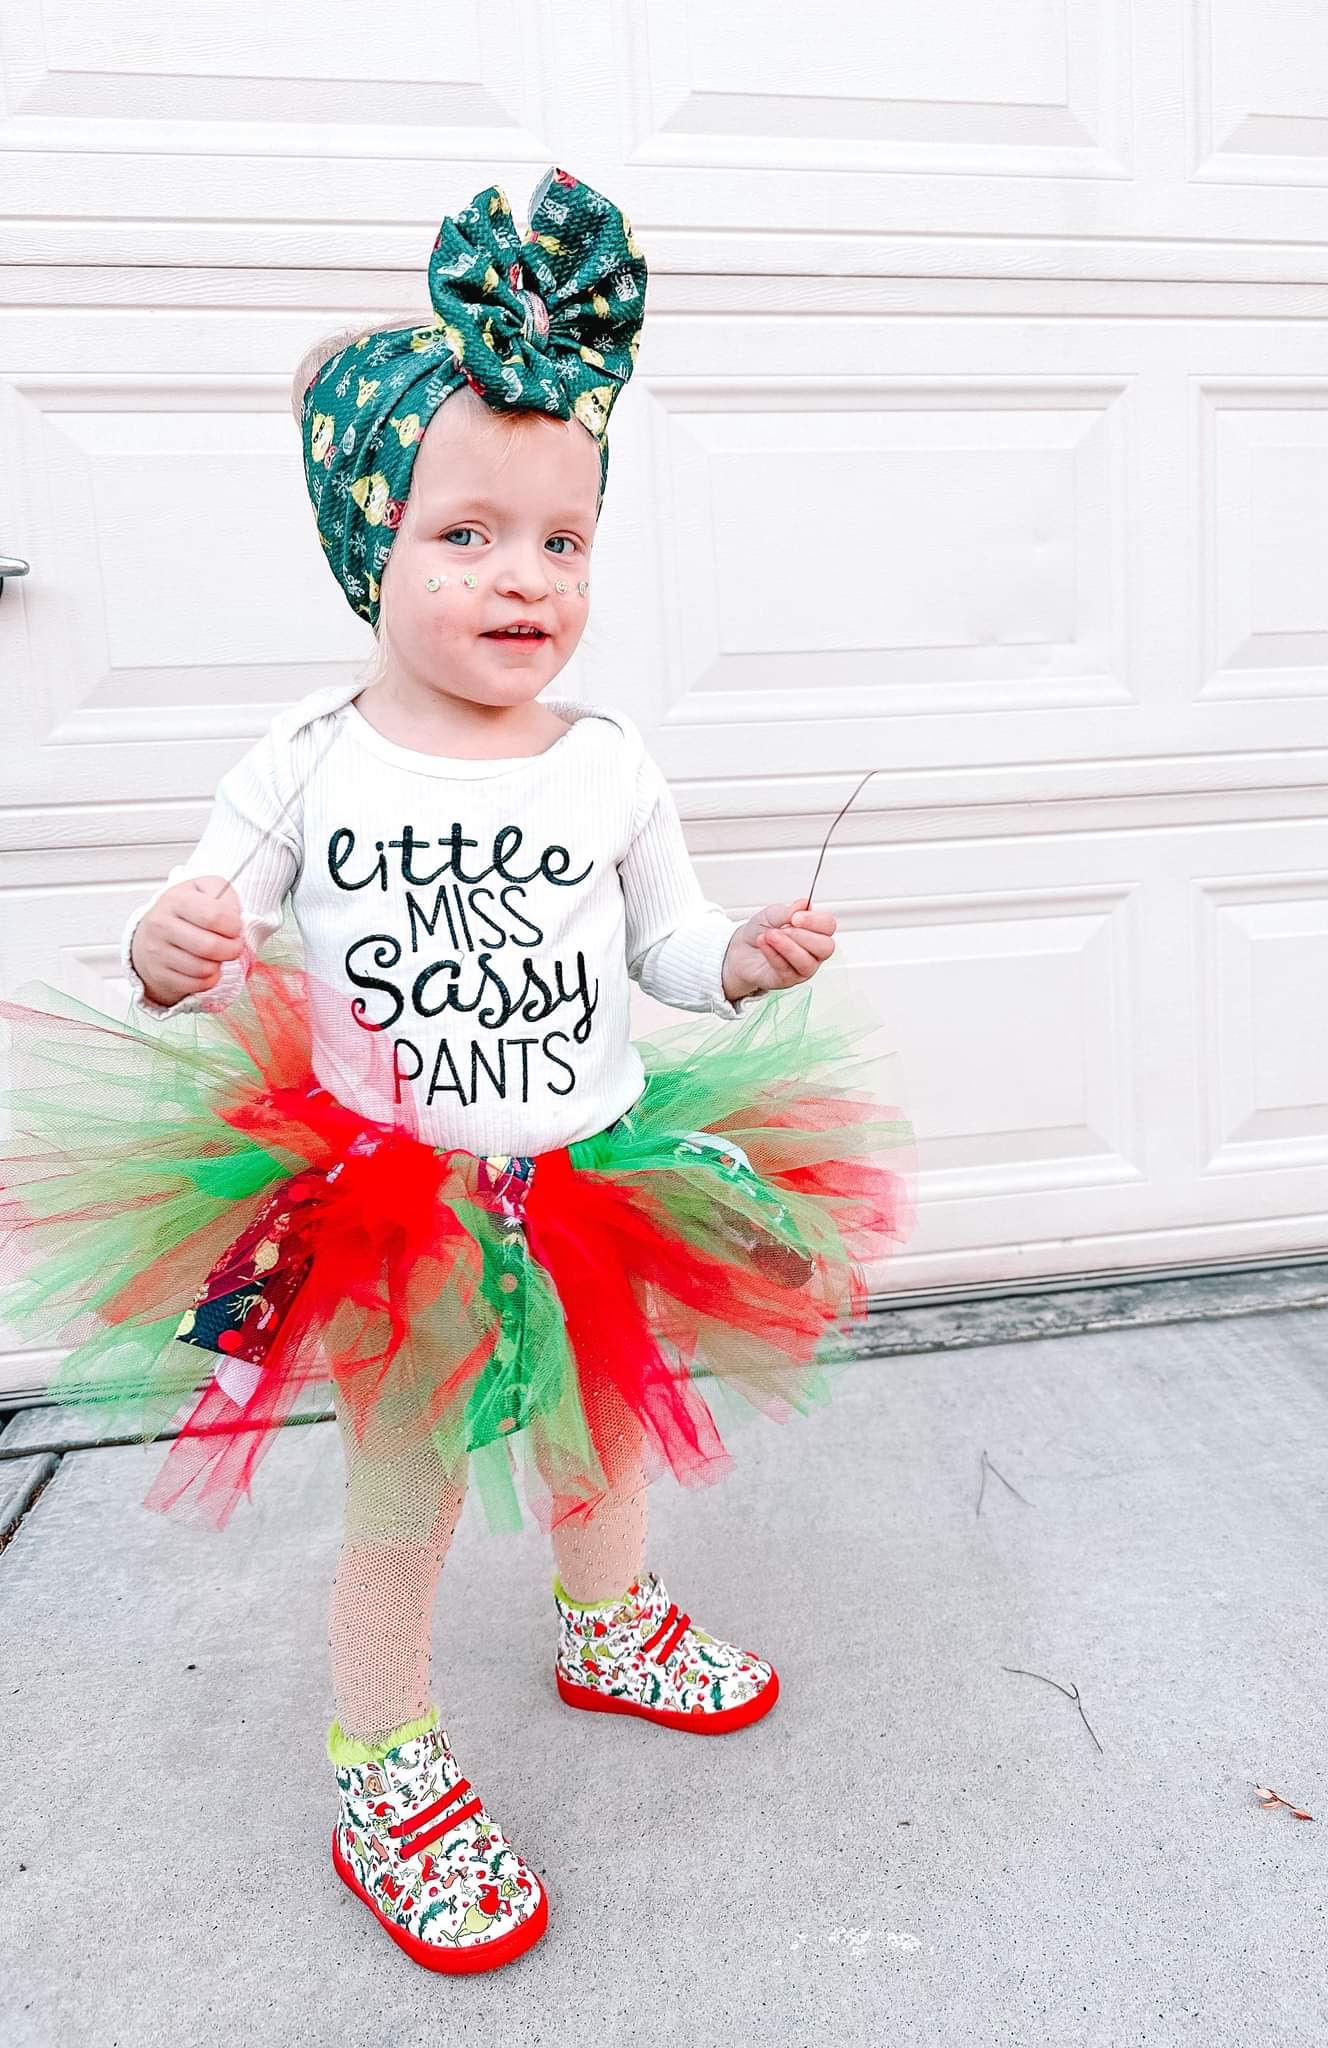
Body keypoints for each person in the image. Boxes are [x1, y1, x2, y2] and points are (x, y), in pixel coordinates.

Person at [0, 166, 913, 1975]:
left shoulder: (606, 761)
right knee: (402, 1494)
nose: (526, 579)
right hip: (393, 1211)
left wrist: (740, 962)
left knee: (598, 1434)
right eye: (468, 536)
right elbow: (202, 915)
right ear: (371, 547)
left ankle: (609, 1620)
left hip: (584, 1179)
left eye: (562, 542)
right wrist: (164, 947)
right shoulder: (308, 758)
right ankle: (385, 1758)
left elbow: (663, 945)